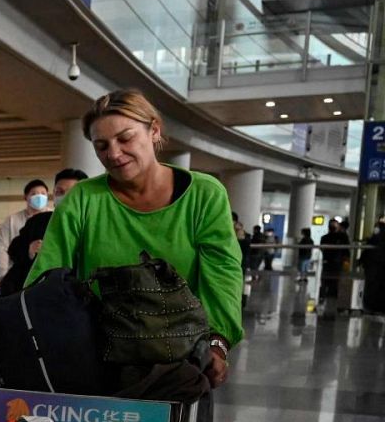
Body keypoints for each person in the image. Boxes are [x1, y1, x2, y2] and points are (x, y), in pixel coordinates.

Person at [26, 89, 243, 388]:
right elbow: (47, 273)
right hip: (99, 357)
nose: (113, 154)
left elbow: (222, 274)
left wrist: (218, 342)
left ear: (154, 130)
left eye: (125, 139)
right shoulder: (83, 199)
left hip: (182, 359)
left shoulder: (204, 194)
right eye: (101, 146)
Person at [0, 169, 89, 295]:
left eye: (71, 192)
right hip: (36, 295)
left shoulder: (91, 227)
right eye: (60, 192)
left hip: (76, 296)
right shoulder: (39, 221)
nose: (64, 197)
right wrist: (29, 250)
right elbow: (14, 249)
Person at [0, 179, 50, 258]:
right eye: (34, 194)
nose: (39, 197)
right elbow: (2, 248)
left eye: (43, 193)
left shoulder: (54, 217)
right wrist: (3, 270)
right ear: (25, 197)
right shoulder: (12, 220)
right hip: (17, 266)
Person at [319, 217, 349, 319]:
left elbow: (346, 251)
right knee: (327, 281)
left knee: (333, 282)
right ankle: (327, 297)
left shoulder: (341, 237)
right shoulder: (327, 238)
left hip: (335, 263)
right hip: (331, 263)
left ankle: (330, 296)